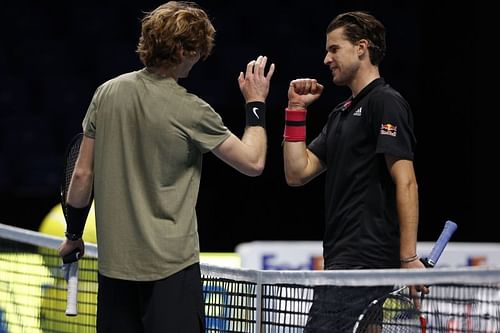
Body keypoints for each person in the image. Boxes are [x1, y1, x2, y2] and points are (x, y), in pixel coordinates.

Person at [58, 2, 274, 332]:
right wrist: (255, 104)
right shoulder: (192, 110)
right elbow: (254, 162)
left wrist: (73, 234)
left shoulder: (106, 93)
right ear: (184, 50)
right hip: (172, 272)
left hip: (115, 272)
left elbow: (83, 175)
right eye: (198, 50)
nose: (201, 58)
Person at [282, 11, 427, 332]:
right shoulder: (341, 114)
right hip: (341, 258)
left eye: (334, 49)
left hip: (368, 261)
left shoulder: (386, 103)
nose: (326, 59)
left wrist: (407, 259)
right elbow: (297, 172)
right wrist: (295, 111)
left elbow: (406, 182)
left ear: (361, 48)